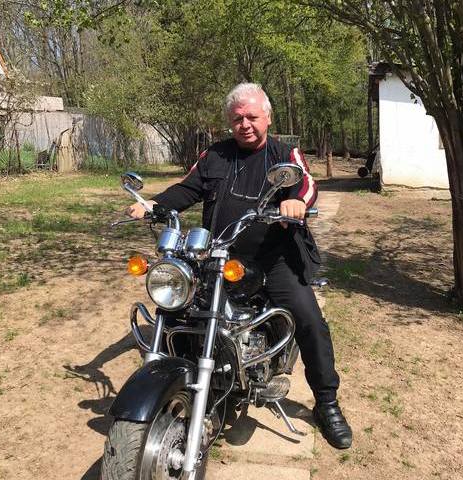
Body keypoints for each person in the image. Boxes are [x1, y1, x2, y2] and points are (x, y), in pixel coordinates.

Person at [127, 82, 352, 449]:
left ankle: (327, 403)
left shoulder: (284, 153)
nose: (244, 124)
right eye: (237, 119)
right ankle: (192, 383)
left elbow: (306, 184)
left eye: (251, 116)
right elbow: (187, 188)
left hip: (275, 258)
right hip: (219, 255)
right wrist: (154, 204)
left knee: (309, 320)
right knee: (181, 310)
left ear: (268, 117)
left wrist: (296, 202)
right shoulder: (215, 155)